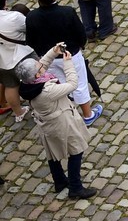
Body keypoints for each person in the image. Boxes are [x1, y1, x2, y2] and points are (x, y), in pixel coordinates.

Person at [19, 45, 96, 200]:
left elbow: (43, 65)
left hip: (47, 125)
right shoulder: (47, 91)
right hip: (61, 124)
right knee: (76, 150)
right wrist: (68, 63)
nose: (41, 65)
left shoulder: (29, 84)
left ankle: (59, 181)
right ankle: (75, 187)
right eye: (39, 67)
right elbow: (72, 84)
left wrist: (53, 51)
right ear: (37, 75)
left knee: (53, 153)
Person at [25, 0, 99, 123]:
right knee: (79, 83)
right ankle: (88, 115)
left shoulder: (32, 17)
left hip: (49, 58)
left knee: (59, 85)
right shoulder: (67, 12)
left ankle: (69, 113)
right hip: (70, 54)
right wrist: (80, 45)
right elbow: (80, 33)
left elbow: (30, 41)